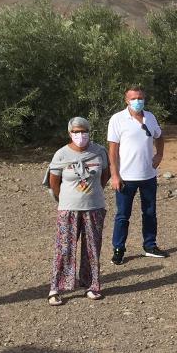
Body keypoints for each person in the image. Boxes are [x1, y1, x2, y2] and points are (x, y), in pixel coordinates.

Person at [46, 117, 110, 305]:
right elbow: (53, 181)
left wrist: (94, 193)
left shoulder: (99, 152)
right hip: (68, 208)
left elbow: (105, 175)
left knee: (92, 247)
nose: (80, 135)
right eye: (76, 132)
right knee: (64, 248)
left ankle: (91, 285)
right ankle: (56, 288)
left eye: (83, 131)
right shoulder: (61, 154)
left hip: (94, 207)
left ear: (90, 132)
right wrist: (65, 199)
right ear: (69, 133)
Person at [107, 87, 168, 263]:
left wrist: (159, 154)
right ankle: (118, 248)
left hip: (148, 175)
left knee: (150, 212)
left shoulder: (150, 117)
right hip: (126, 177)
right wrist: (115, 175)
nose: (137, 101)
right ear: (126, 100)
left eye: (140, 97)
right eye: (133, 98)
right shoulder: (117, 119)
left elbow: (159, 136)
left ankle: (150, 245)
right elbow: (112, 150)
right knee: (122, 215)